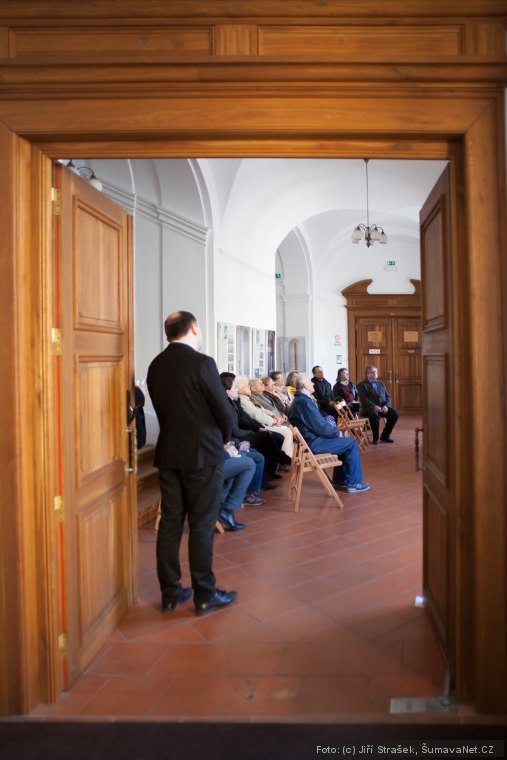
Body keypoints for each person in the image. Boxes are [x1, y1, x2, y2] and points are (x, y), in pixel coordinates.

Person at [147, 310, 237, 616]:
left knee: (170, 524)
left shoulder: (156, 365)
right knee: (201, 524)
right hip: (203, 454)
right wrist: (223, 438)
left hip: (169, 454)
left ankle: (170, 594)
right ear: (194, 328)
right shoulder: (202, 363)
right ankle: (204, 594)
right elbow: (223, 410)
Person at [288, 373, 370, 493]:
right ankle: (354, 483)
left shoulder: (300, 400)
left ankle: (340, 480)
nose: (313, 383)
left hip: (309, 442)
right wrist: (336, 433)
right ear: (305, 385)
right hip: (314, 444)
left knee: (344, 444)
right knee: (351, 444)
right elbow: (321, 427)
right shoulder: (304, 403)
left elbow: (318, 425)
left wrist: (334, 433)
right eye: (310, 382)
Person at [357, 365, 399, 444]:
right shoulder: (362, 385)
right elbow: (363, 399)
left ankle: (385, 436)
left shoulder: (381, 383)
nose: (375, 373)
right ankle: (376, 437)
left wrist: (386, 406)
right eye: (373, 372)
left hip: (382, 407)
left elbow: (387, 396)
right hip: (369, 409)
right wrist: (374, 406)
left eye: (376, 372)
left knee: (395, 414)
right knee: (374, 415)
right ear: (368, 374)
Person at [219, 444, 256, 531]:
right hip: (205, 466)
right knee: (249, 464)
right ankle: (227, 510)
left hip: (208, 460)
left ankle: (220, 503)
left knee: (241, 457)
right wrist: (226, 453)